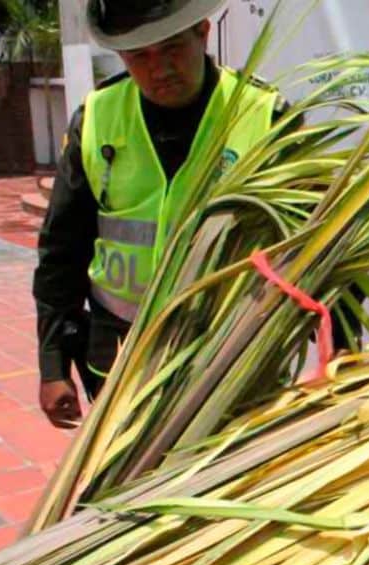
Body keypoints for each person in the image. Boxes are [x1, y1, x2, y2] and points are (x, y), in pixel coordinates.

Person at [34, 0, 297, 428]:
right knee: (128, 483)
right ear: (121, 56)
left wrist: (337, 344)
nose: (159, 69)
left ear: (203, 33)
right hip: (122, 354)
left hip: (228, 352)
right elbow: (61, 252)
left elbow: (315, 238)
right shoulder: (98, 118)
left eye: (172, 47)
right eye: (140, 56)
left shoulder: (264, 116)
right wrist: (52, 365)